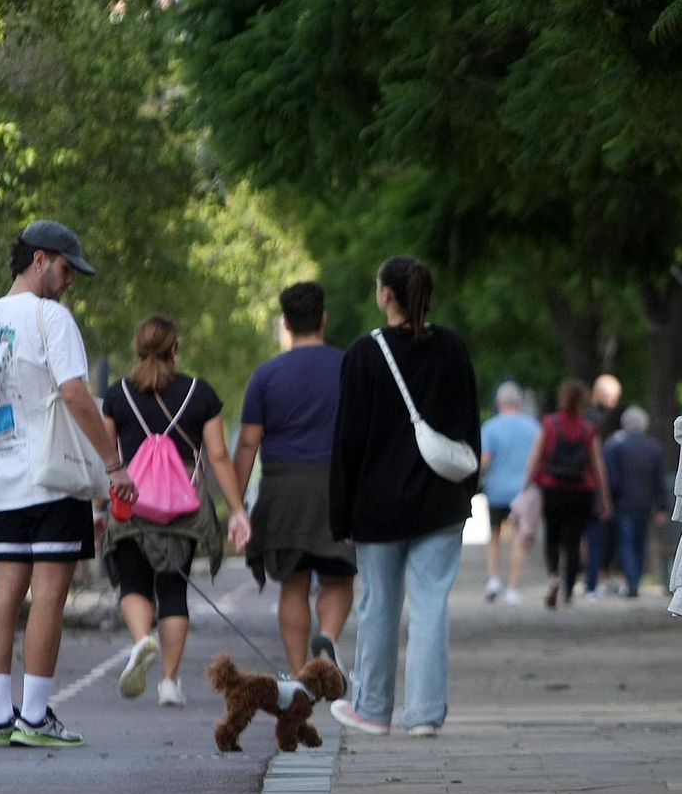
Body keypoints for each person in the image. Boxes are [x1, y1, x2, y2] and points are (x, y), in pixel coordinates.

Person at [0, 219, 136, 748]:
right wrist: (113, 465)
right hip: (53, 475)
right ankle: (35, 715)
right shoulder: (52, 318)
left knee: (4, 592)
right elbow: (75, 394)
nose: (70, 281)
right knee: (49, 595)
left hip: (5, 473)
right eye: (67, 269)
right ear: (39, 259)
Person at [329, 256, 480, 737]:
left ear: (385, 295)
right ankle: (424, 714)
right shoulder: (453, 348)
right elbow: (468, 429)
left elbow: (347, 442)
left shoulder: (363, 354)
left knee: (377, 605)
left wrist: (341, 515)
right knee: (431, 605)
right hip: (440, 502)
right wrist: (466, 492)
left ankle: (372, 709)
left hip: (377, 507)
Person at [101, 316, 253, 707]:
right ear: (175, 349)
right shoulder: (200, 394)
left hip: (131, 501)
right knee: (173, 590)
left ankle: (141, 641)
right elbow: (218, 455)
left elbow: (104, 453)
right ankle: (169, 680)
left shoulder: (117, 396)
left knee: (132, 583)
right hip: (181, 505)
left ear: (138, 348)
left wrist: (100, 503)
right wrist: (237, 510)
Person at [232, 282, 356, 672]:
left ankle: (300, 671)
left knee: (294, 581)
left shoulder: (267, 374)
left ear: (286, 322)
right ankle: (329, 642)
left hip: (282, 489)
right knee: (338, 577)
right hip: (337, 487)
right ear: (323, 319)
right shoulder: (350, 366)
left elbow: (249, 442)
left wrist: (237, 505)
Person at [526, 379, 612, 609]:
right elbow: (597, 465)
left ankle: (554, 575)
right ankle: (568, 592)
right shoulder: (588, 429)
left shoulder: (549, 424)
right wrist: (604, 497)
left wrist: (526, 484)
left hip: (552, 487)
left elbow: (536, 456)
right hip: (580, 490)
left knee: (552, 536)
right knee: (574, 542)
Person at [480, 381, 541, 604]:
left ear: (499, 402)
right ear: (520, 403)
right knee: (518, 538)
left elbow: (484, 460)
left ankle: (494, 578)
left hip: (496, 490)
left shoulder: (490, 427)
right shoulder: (533, 427)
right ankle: (513, 588)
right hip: (523, 492)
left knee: (494, 534)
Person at [602, 406, 666, 598]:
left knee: (626, 543)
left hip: (623, 503)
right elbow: (658, 481)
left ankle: (632, 581)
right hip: (645, 504)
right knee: (639, 543)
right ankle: (635, 579)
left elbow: (612, 479)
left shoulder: (616, 448)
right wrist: (662, 507)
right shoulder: (654, 448)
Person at [583, 373, 624, 597]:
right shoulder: (595, 422)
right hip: (596, 484)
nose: (614, 403)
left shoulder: (600, 418)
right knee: (596, 534)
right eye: (611, 397)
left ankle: (596, 576)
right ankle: (595, 576)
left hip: (597, 483)